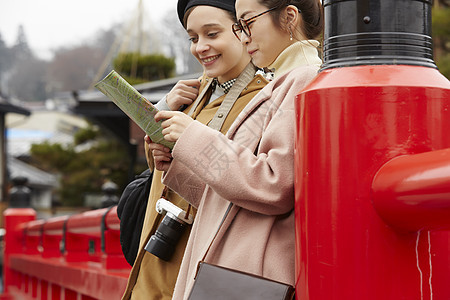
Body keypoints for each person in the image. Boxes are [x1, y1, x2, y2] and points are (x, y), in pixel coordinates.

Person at [149, 0, 323, 298]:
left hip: (246, 269)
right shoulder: (284, 82)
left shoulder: (302, 78)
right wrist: (180, 161)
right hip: (238, 268)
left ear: (289, 17)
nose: (244, 37)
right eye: (240, 27)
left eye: (248, 23)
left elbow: (273, 184)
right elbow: (239, 191)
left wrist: (192, 136)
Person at [120, 0, 268, 298]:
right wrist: (162, 111)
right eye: (193, 38)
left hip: (202, 270)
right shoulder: (191, 94)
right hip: (155, 260)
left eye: (212, 34)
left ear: (243, 31)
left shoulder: (263, 100)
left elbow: (251, 188)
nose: (201, 47)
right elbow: (158, 170)